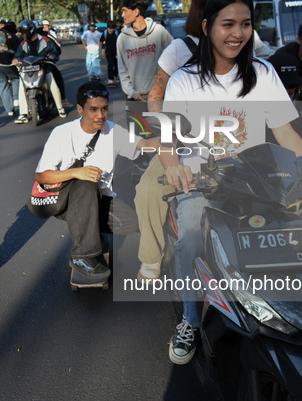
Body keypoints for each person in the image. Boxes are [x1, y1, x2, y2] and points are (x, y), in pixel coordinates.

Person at [156, 0, 302, 364]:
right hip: (202, 179)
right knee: (192, 238)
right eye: (228, 24)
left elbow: (285, 134)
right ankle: (191, 322)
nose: (237, 34)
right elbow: (168, 142)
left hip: (258, 177)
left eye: (245, 25)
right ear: (208, 26)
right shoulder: (184, 79)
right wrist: (173, 166)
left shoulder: (263, 73)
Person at [34, 81, 158, 279]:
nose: (100, 115)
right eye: (93, 109)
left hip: (99, 200)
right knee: (87, 183)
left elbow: (143, 145)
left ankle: (89, 232)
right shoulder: (62, 134)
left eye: (104, 109)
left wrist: (166, 142)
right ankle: (82, 256)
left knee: (130, 223)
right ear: (80, 109)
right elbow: (41, 176)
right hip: (67, 201)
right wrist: (76, 173)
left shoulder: (113, 131)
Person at [133, 0, 204, 283]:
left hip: (230, 140)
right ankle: (151, 258)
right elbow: (155, 95)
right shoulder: (181, 49)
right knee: (149, 189)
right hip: (182, 139)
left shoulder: (245, 46)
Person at [117, 0, 173, 101]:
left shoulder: (159, 32)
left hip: (158, 98)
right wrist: (132, 93)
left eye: (125, 11)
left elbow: (175, 56)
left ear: (136, 12)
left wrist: (163, 87)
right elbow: (122, 70)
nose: (122, 15)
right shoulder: (122, 38)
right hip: (135, 98)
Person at [12, 20, 66, 123]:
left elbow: (55, 53)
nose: (21, 35)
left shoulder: (45, 40)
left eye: (23, 33)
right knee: (21, 87)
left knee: (53, 85)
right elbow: (18, 55)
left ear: (29, 32)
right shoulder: (23, 43)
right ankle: (23, 114)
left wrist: (52, 57)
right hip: (27, 70)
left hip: (44, 68)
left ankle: (60, 108)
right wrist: (15, 60)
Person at [39, 18, 72, 108]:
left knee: (57, 78)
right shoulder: (30, 39)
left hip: (46, 63)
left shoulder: (50, 36)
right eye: (42, 27)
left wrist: (52, 56)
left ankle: (61, 102)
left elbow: (57, 48)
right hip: (33, 66)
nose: (44, 28)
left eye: (46, 26)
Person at [100, 20, 120, 86]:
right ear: (107, 28)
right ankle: (110, 79)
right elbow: (100, 43)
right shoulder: (105, 33)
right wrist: (100, 53)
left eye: (112, 28)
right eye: (109, 28)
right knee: (110, 64)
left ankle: (115, 74)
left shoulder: (117, 33)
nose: (111, 30)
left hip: (116, 52)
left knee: (117, 65)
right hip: (108, 52)